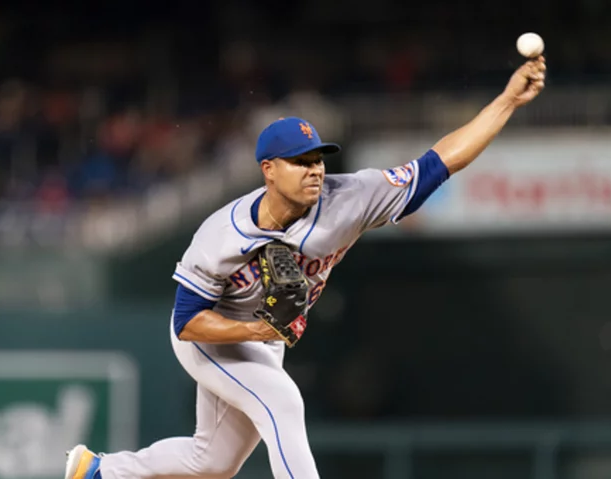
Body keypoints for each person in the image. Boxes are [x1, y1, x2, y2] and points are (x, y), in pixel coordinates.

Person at [64, 56, 547, 479]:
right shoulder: (221, 234)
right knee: (283, 402)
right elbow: (186, 322)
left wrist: (506, 100)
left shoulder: (351, 198)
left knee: (212, 462)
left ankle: (100, 471)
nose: (315, 168)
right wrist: (256, 327)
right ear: (269, 169)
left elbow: (440, 161)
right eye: (300, 161)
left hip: (265, 340)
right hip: (213, 338)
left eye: (318, 157)